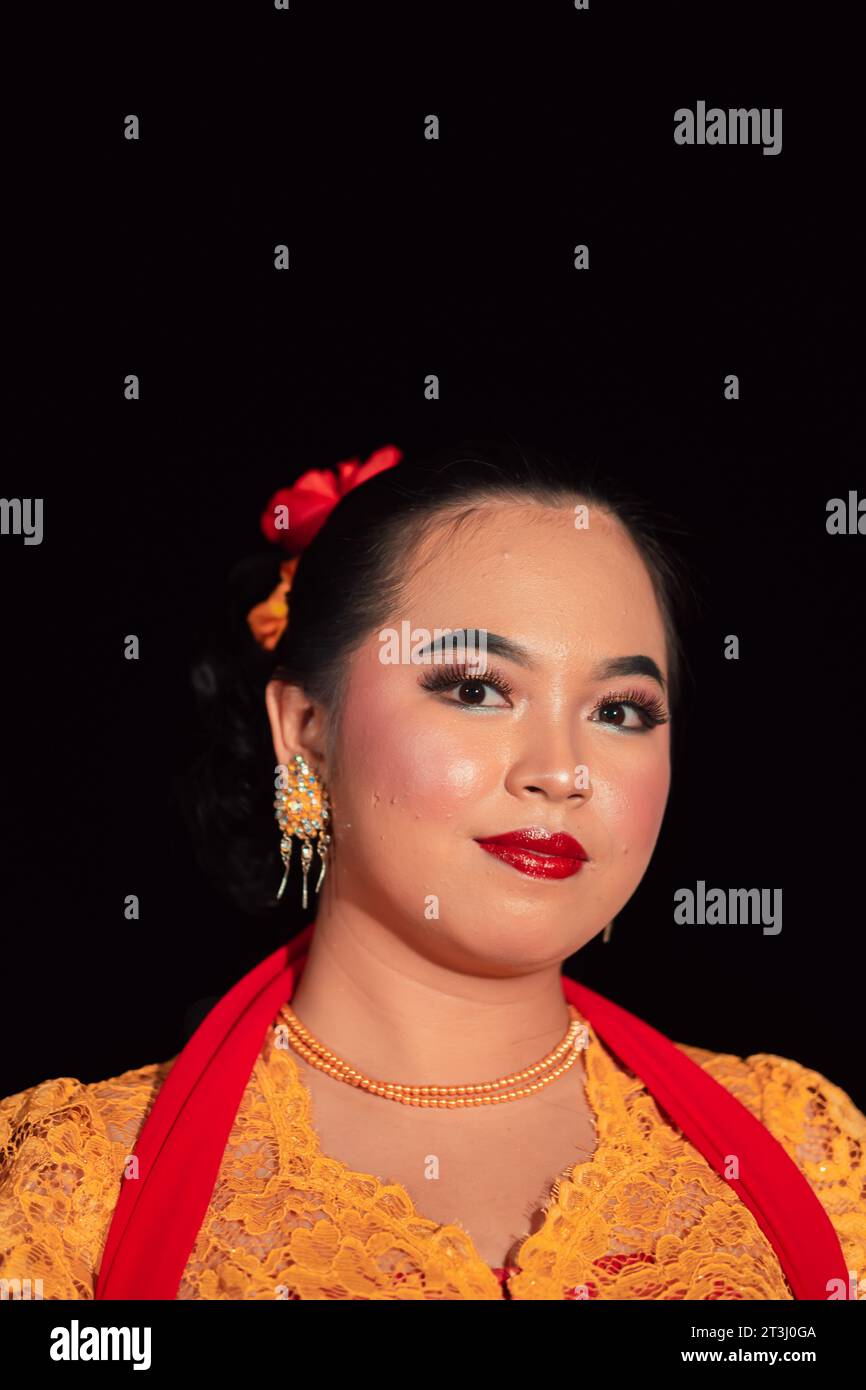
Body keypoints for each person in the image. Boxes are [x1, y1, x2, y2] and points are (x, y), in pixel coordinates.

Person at [1, 440, 864, 1302]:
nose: (561, 769)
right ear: (305, 729)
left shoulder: (805, 1149)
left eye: (619, 709)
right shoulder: (73, 1186)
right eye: (477, 688)